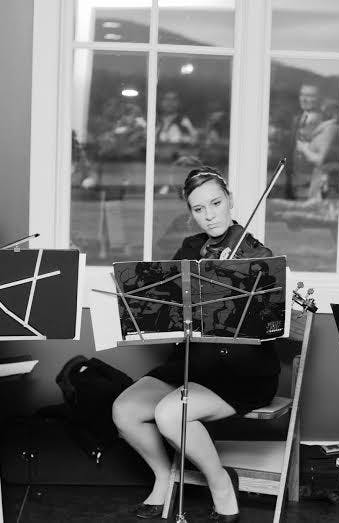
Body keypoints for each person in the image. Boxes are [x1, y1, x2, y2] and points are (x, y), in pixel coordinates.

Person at [112, 167, 279, 522]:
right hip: (190, 364)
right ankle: (163, 477)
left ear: (231, 200)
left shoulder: (257, 254)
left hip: (239, 373)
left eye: (216, 203)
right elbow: (165, 307)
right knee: (124, 411)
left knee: (170, 414)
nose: (210, 215)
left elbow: (266, 326)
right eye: (199, 209)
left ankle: (219, 482)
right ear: (191, 212)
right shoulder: (190, 249)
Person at [295, 98, 339, 202]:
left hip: (325, 179)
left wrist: (304, 149)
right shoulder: (329, 129)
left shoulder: (330, 129)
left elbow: (320, 159)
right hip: (320, 177)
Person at [288, 83, 323, 199]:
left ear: (318, 99)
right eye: (302, 95)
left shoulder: (324, 122)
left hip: (313, 181)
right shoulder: (297, 119)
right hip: (293, 179)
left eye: (310, 96)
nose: (304, 99)